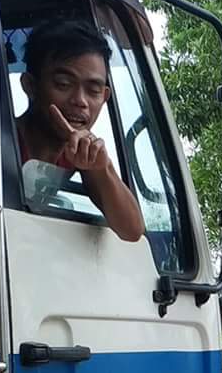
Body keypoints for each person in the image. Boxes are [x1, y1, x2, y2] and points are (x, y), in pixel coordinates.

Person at [15, 20, 144, 242]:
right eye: (64, 84)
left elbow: (131, 230)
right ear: (30, 86)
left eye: (93, 90)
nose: (80, 101)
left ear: (104, 98)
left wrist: (101, 168)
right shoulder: (0, 141)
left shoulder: (80, 155)